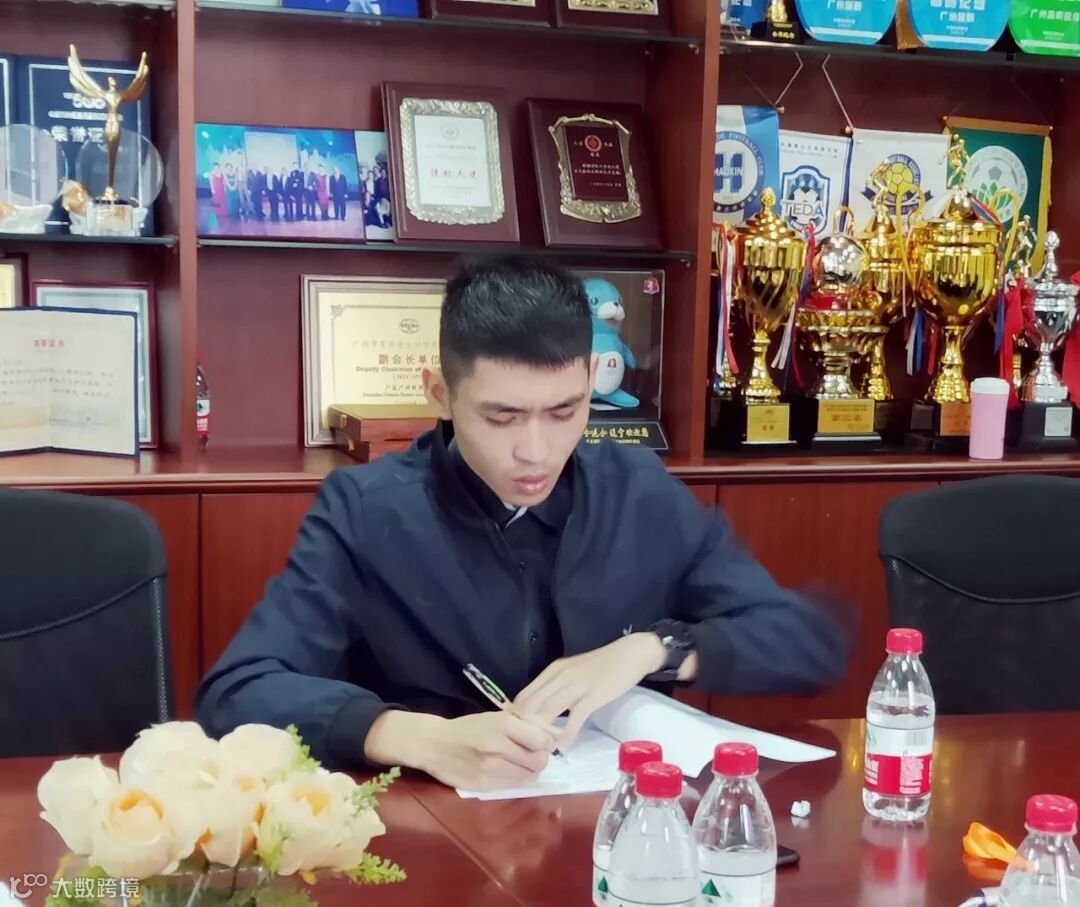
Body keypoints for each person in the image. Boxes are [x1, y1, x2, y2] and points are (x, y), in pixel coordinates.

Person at [196, 256, 849, 793]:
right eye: (501, 417)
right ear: (440, 394)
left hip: (614, 836)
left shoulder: (637, 491)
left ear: (591, 381)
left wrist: (655, 648)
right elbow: (238, 692)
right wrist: (419, 737)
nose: (536, 452)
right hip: (435, 844)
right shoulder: (365, 511)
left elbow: (805, 640)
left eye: (564, 411)